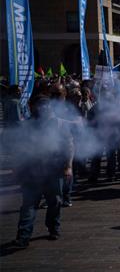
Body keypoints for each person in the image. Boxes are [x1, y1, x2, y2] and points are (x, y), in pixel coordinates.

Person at [12, 97, 73, 248]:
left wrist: (68, 166)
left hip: (54, 169)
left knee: (55, 202)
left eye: (46, 108)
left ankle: (53, 227)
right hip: (32, 170)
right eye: (40, 107)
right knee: (29, 205)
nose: (43, 110)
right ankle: (23, 237)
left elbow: (69, 144)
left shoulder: (58, 124)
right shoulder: (26, 125)